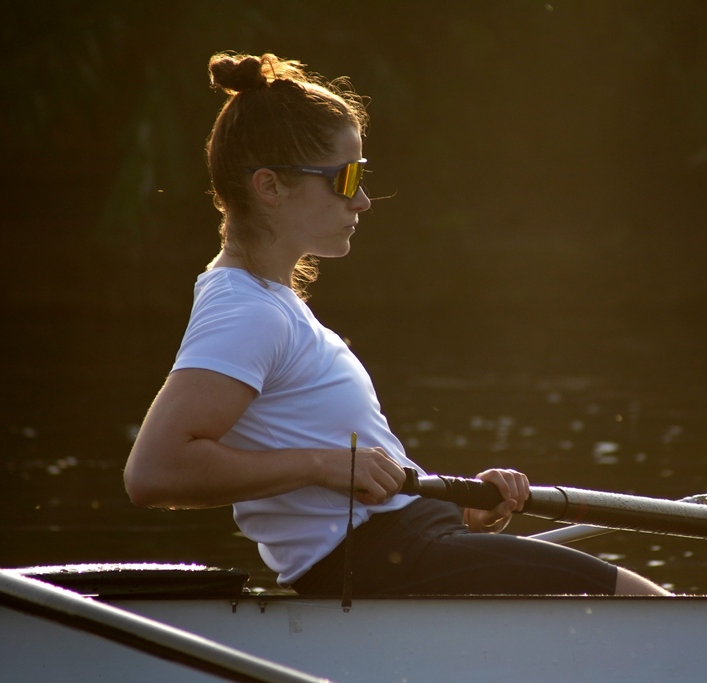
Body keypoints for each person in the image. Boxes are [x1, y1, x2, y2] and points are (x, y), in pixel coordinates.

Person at [123, 51, 668, 597]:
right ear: (270, 187)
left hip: (405, 546)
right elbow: (154, 473)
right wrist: (321, 465)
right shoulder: (246, 311)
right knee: (644, 603)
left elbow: (349, 478)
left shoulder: (271, 304)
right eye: (346, 178)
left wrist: (462, 507)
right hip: (380, 561)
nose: (362, 200)